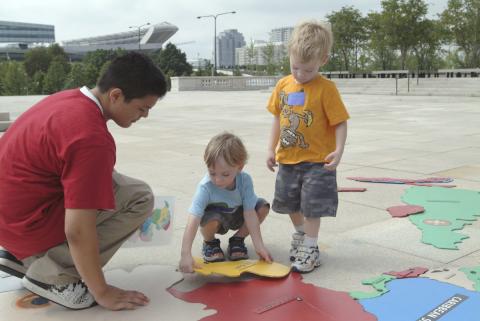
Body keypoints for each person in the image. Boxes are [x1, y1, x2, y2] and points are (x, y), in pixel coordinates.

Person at [0, 52, 167, 310]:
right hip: (26, 225)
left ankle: (23, 259)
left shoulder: (68, 99)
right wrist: (102, 291)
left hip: (9, 223)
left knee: (106, 180)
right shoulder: (91, 137)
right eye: (142, 108)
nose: (144, 116)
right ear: (116, 95)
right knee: (139, 197)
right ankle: (53, 273)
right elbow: (77, 230)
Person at [266, 20, 349, 273]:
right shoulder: (283, 84)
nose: (300, 75)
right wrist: (270, 148)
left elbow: (340, 122)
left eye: (308, 70)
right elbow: (277, 118)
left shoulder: (326, 89)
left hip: (317, 161)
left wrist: (339, 149)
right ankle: (302, 235)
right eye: (295, 68)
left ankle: (311, 248)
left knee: (312, 206)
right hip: (288, 159)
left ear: (323, 60)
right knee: (289, 203)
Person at [179, 132, 272, 273]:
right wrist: (185, 254)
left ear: (239, 167)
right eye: (212, 173)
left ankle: (237, 240)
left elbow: (250, 214)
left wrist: (259, 245)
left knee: (262, 206)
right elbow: (193, 219)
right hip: (215, 221)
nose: (218, 180)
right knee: (210, 218)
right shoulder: (206, 187)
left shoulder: (245, 181)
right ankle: (210, 243)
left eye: (225, 174)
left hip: (237, 216)